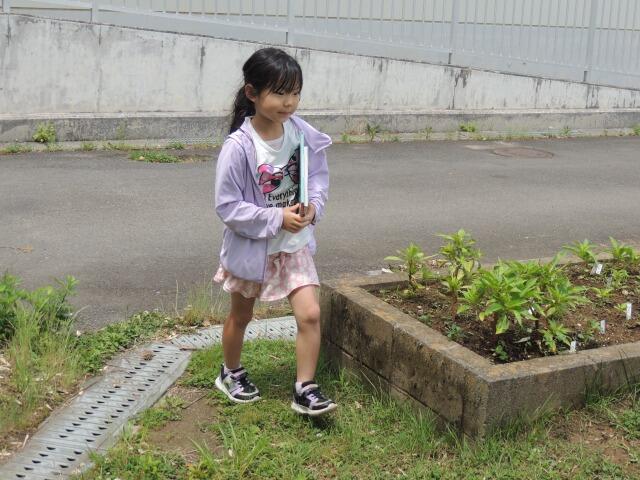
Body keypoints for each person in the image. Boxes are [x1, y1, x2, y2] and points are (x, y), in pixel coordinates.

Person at [213, 47, 336, 416]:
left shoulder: (299, 133)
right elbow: (227, 206)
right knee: (241, 316)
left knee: (310, 314)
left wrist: (313, 207)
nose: (289, 102)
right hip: (253, 250)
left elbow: (317, 178)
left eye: (295, 93)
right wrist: (276, 218)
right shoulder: (239, 147)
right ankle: (230, 372)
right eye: (280, 93)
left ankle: (305, 388)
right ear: (252, 93)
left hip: (294, 245)